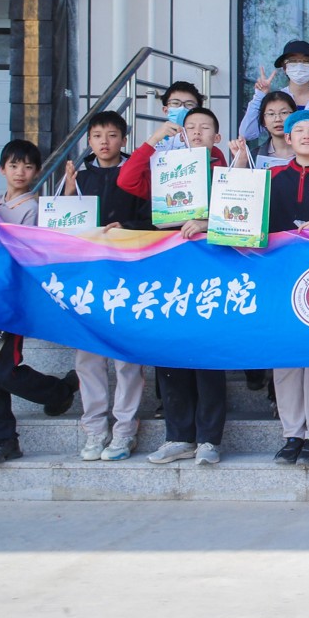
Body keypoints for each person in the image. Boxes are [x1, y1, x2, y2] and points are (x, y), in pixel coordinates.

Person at [229, 111, 309, 466]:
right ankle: (291, 434)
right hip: (277, 278)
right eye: (298, 130)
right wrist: (238, 163)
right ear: (287, 138)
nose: (306, 135)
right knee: (285, 358)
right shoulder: (269, 178)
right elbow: (240, 215)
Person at [117, 107, 230, 466]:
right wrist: (154, 140)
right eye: (190, 127)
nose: (196, 132)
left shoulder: (226, 171)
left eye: (205, 127)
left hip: (212, 271)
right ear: (181, 135)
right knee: (170, 352)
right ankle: (178, 436)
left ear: (216, 136)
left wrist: (207, 221)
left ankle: (209, 439)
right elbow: (127, 180)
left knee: (208, 355)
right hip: (169, 271)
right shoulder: (167, 170)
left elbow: (246, 217)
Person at [0, 141, 79, 466]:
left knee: (2, 372)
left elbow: (27, 260)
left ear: (37, 172)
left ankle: (59, 391)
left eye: (28, 167)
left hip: (4, 306)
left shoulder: (34, 210)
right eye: (14, 166)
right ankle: (3, 441)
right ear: (2, 169)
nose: (20, 172)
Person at [60, 113, 147, 460]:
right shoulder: (80, 178)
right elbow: (60, 228)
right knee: (88, 357)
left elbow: (152, 220)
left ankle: (125, 430)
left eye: (112, 135)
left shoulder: (138, 174)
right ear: (89, 141)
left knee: (126, 358)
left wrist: (126, 227)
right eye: (97, 136)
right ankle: (95, 429)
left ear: (124, 140)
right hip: (87, 280)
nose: (104, 142)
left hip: (127, 277)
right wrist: (68, 193)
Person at [238, 39, 309, 143]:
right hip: (277, 154)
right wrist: (259, 96)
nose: (299, 66)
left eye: (306, 61)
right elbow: (247, 133)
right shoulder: (275, 101)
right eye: (292, 61)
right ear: (284, 68)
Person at [247, 90, 297, 162]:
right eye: (271, 114)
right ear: (264, 121)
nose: (278, 119)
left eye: (284, 112)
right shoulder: (253, 156)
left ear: (295, 116)